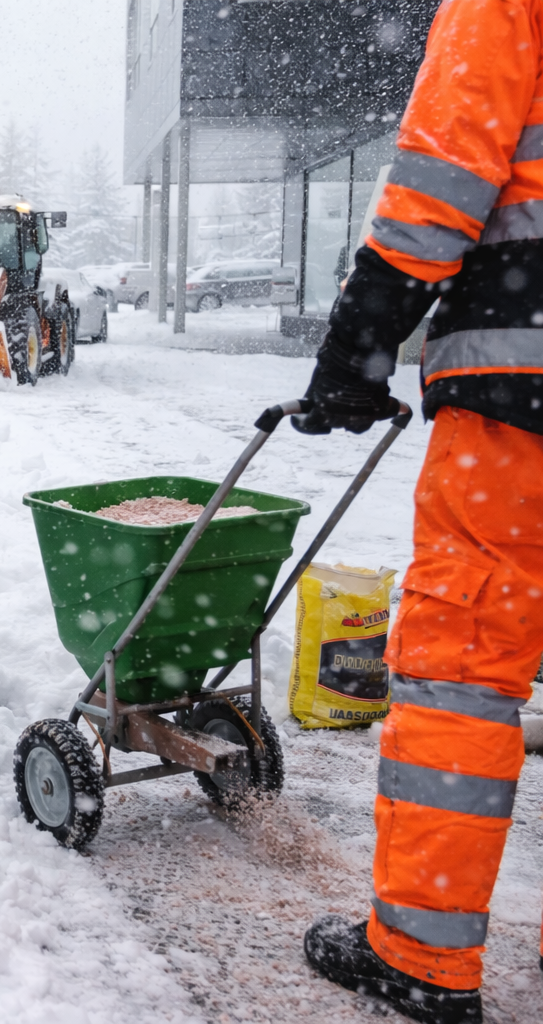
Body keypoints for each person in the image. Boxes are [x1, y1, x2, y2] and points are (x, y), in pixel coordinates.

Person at [294, 2, 543, 1022]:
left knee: (464, 666)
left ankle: (422, 956)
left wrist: (361, 344)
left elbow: (443, 178)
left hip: (522, 391)